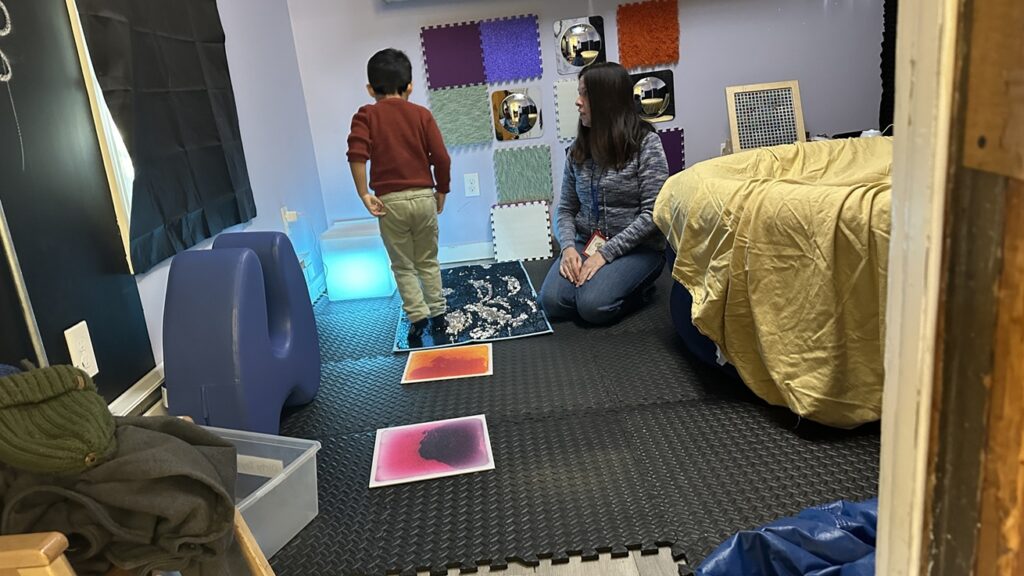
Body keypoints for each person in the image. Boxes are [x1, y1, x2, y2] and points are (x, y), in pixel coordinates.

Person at [539, 62, 669, 325]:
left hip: (637, 249)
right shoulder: (577, 149)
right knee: (551, 302)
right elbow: (566, 208)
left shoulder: (647, 144)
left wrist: (605, 254)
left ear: (607, 100)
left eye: (585, 94)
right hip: (587, 242)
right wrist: (567, 248)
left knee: (593, 306)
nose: (578, 102)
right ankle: (594, 284)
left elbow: (653, 214)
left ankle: (642, 290)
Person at [347, 48, 451, 340]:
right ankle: (439, 315)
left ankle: (417, 318)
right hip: (423, 197)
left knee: (403, 265)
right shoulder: (422, 115)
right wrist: (441, 190)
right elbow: (441, 158)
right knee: (427, 259)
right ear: (410, 87)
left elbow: (357, 155)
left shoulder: (365, 116)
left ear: (370, 89)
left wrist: (364, 193)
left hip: (389, 203)